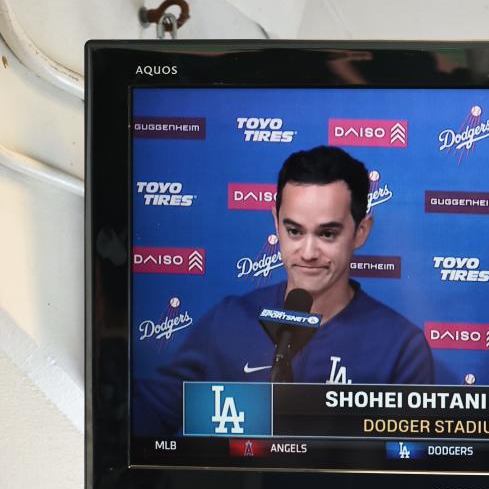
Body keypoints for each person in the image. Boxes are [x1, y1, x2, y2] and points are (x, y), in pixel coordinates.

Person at [135, 146, 434, 435]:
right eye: (294, 231)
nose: (307, 252)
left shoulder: (401, 347)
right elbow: (143, 424)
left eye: (327, 234)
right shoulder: (229, 321)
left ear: (361, 232)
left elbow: (410, 469)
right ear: (275, 223)